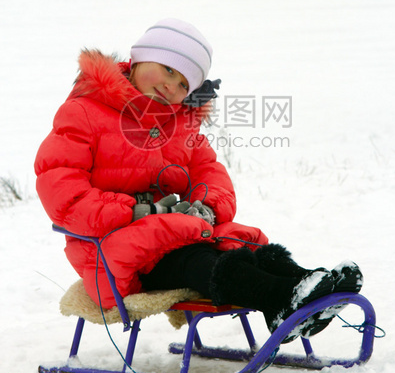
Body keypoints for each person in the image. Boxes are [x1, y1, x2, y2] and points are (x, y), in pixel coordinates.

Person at [34, 19, 363, 341]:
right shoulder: (85, 112)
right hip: (113, 251)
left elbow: (210, 172)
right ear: (137, 60)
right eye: (169, 70)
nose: (171, 86)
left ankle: (309, 283)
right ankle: (279, 297)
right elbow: (63, 194)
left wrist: (206, 205)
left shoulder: (179, 125)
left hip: (171, 233)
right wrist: (133, 210)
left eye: (183, 86)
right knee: (199, 261)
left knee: (238, 241)